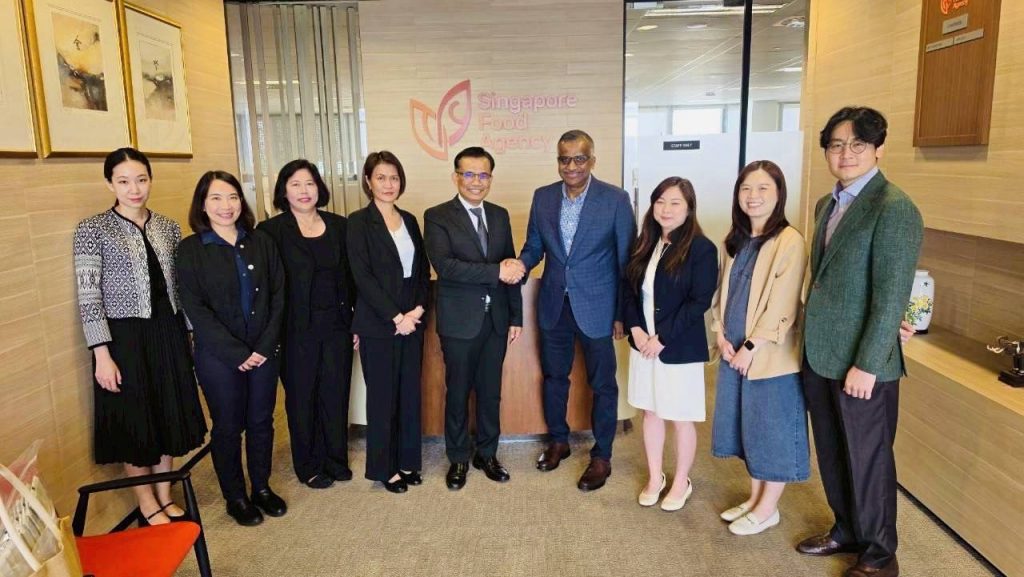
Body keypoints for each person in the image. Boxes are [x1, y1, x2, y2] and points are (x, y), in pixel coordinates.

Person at [796, 107, 923, 577]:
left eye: (857, 145)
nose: (845, 154)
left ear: (878, 149)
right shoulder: (826, 204)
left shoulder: (894, 208)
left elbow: (891, 296)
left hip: (863, 364)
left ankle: (880, 556)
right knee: (832, 451)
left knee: (869, 461)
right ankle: (847, 529)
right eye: (836, 145)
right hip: (822, 354)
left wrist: (868, 363)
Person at [73, 148, 207, 526]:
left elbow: (180, 286)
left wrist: (191, 334)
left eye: (141, 180)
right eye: (124, 181)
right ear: (109, 184)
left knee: (169, 413)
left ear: (150, 180)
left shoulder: (168, 226)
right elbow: (89, 295)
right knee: (137, 419)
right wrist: (101, 354)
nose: (134, 189)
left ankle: (164, 494)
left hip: (168, 329)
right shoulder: (92, 229)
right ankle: (146, 502)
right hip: (124, 338)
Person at [514, 129, 635, 491]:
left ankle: (602, 455)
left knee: (602, 383)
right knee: (554, 377)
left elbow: (626, 260)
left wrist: (621, 313)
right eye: (564, 159)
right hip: (554, 305)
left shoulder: (615, 199)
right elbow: (534, 246)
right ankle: (559, 441)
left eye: (579, 158)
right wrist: (520, 265)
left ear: (592, 160)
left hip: (598, 306)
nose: (571, 166)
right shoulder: (543, 197)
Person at [176, 171, 287, 527]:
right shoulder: (190, 250)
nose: (226, 206)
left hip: (264, 350)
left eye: (233, 197)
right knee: (227, 426)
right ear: (202, 205)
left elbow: (278, 295)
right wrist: (238, 353)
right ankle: (235, 497)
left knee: (261, 421)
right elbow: (195, 308)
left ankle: (262, 488)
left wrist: (264, 346)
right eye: (216, 198)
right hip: (218, 357)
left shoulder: (261, 241)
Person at [709, 161, 809, 535]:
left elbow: (784, 303)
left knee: (772, 430)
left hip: (768, 357)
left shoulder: (789, 241)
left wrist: (751, 346)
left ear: (779, 194)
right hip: (733, 352)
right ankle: (754, 499)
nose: (753, 196)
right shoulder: (734, 241)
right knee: (748, 428)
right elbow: (720, 295)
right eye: (746, 188)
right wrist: (720, 334)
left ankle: (768, 509)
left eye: (763, 188)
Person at [423, 146, 524, 491]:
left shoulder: (499, 215)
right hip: (459, 321)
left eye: (483, 175)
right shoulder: (437, 216)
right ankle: (458, 458)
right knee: (458, 392)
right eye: (469, 174)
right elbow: (445, 266)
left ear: (490, 178)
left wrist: (516, 316)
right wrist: (496, 271)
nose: (476, 181)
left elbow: (510, 266)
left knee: (490, 392)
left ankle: (487, 453)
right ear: (456, 177)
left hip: (496, 320)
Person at [259, 160, 358, 490]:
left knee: (335, 392)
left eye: (310, 183)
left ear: (320, 188)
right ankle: (309, 464)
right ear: (283, 191)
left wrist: (356, 322)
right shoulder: (270, 232)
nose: (304, 191)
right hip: (294, 329)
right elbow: (268, 286)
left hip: (337, 325)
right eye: (295, 184)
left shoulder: (340, 226)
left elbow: (352, 279)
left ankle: (336, 459)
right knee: (302, 397)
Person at [623, 177, 717, 512]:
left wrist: (661, 338)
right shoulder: (645, 243)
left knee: (679, 416)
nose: (666, 209)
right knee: (650, 412)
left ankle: (681, 481)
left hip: (676, 347)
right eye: (660, 201)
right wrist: (635, 329)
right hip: (642, 345)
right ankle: (655, 477)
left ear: (689, 208)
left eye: (675, 202)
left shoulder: (702, 249)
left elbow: (699, 301)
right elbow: (628, 290)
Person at [347, 151, 430, 494]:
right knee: (382, 398)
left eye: (394, 177)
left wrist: (417, 312)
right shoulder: (357, 222)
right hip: (378, 325)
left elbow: (422, 270)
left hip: (412, 323)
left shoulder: (409, 219)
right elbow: (362, 277)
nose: (388, 184)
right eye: (380, 177)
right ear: (368, 181)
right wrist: (396, 317)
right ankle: (384, 468)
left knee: (409, 395)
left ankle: (408, 460)